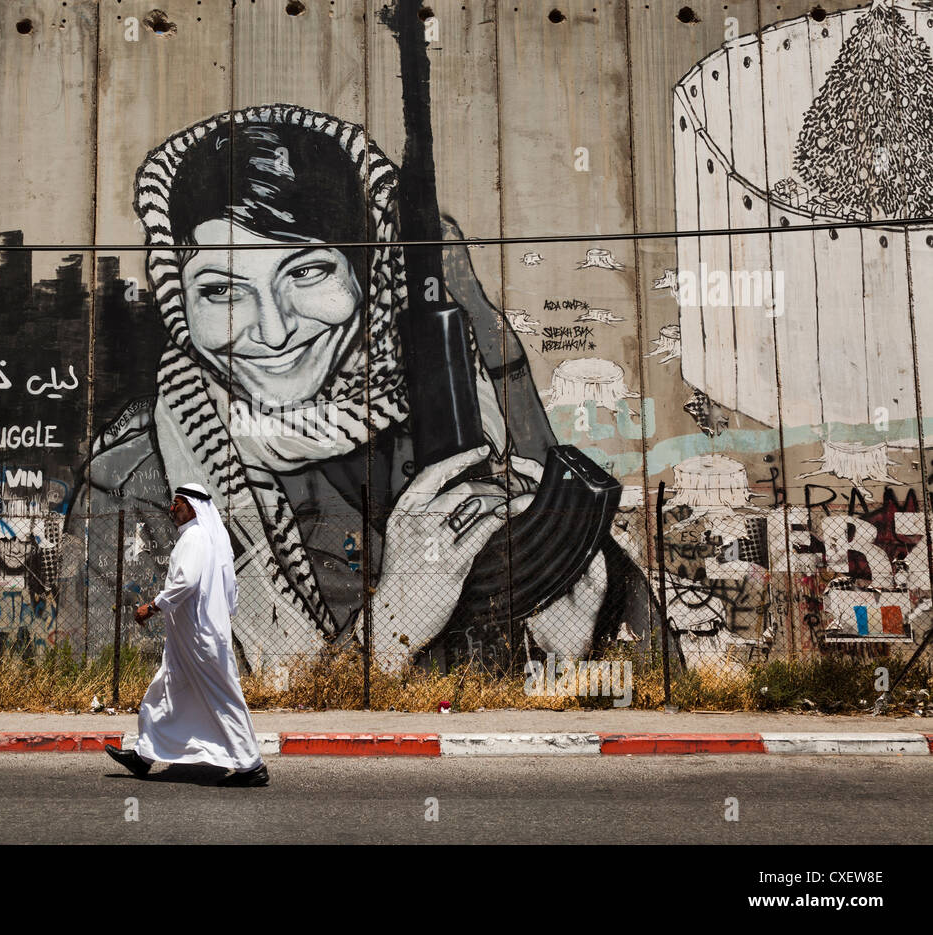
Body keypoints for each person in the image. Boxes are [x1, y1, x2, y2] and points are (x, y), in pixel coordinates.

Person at [70, 103, 652, 680]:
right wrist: (392, 624)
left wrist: (574, 653)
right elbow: (141, 708)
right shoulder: (135, 487)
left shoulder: (469, 425)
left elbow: (645, 697)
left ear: (366, 274)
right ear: (179, 298)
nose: (273, 332)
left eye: (306, 272)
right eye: (221, 290)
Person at [105, 483, 269, 787]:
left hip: (199, 638)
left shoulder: (195, 538)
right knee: (165, 692)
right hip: (191, 638)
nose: (171, 508)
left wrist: (153, 607)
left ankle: (251, 766)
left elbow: (186, 582)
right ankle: (143, 757)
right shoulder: (203, 539)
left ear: (192, 507)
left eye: (177, 503)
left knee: (223, 698)